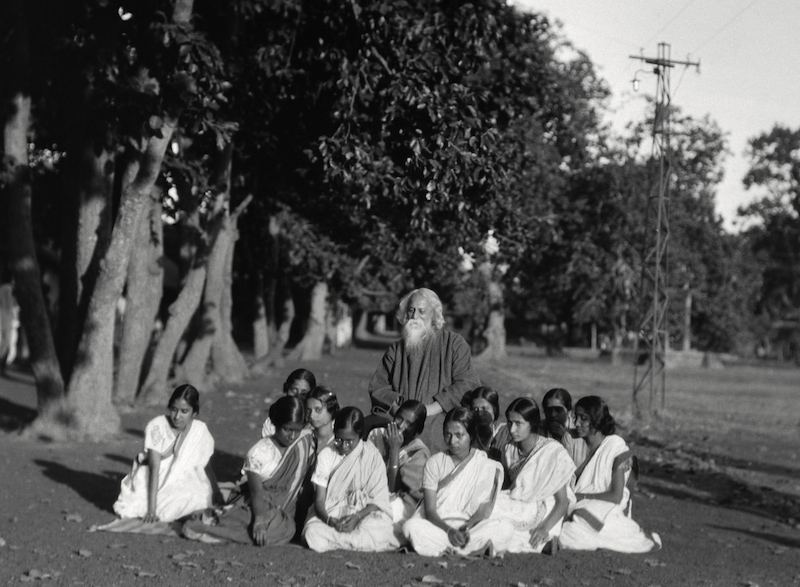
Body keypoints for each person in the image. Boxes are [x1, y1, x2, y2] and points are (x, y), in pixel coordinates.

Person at [182, 396, 314, 545]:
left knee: (287, 529)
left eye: (297, 431)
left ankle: (216, 530)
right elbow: (256, 491)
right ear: (276, 423)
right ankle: (207, 526)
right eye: (287, 429)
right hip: (256, 504)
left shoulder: (302, 443)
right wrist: (259, 520)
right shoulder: (259, 452)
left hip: (281, 512)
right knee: (255, 520)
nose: (292, 436)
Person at [368, 288, 480, 452]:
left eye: (421, 311)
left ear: (434, 314)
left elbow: (467, 384)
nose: (414, 316)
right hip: (400, 421)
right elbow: (378, 386)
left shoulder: (454, 344)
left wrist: (429, 409)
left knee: (434, 440)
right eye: (411, 310)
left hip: (439, 421)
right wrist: (401, 412)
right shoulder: (396, 349)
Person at [402, 407, 514, 557]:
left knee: (505, 527)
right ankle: (471, 549)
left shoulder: (485, 465)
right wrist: (449, 531)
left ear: (471, 435)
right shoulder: (434, 463)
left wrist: (466, 529)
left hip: (470, 528)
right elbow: (429, 510)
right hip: (439, 526)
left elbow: (482, 511)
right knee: (410, 526)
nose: (452, 441)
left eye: (459, 435)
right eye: (447, 434)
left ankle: (446, 549)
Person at [559, 396, 661, 553]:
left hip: (604, 506)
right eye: (576, 417)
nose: (577, 423)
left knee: (581, 518)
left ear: (597, 420)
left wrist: (579, 496)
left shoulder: (615, 447)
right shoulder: (572, 442)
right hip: (574, 501)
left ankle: (637, 539)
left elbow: (616, 496)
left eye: (584, 418)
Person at [113, 384, 221, 522]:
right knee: (166, 507)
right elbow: (154, 469)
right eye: (174, 410)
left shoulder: (199, 430)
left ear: (194, 413)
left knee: (198, 497)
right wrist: (151, 511)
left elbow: (204, 464)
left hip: (183, 478)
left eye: (184, 411)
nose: (177, 416)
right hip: (151, 483)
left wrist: (216, 491)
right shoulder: (157, 427)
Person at [302, 407, 398, 552]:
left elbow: (379, 499)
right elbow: (320, 500)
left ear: (360, 436)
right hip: (332, 511)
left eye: (349, 441)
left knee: (380, 527)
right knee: (311, 531)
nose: (344, 446)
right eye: (339, 439)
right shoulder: (327, 455)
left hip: (364, 513)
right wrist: (329, 521)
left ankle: (339, 542)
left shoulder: (372, 456)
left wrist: (357, 517)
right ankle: (357, 543)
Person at [490, 397, 576, 553]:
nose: (512, 429)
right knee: (487, 504)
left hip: (546, 508)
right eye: (509, 422)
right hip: (519, 503)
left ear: (532, 423)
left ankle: (541, 539)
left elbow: (563, 502)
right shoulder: (509, 449)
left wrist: (544, 528)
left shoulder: (552, 451)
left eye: (518, 423)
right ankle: (540, 544)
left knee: (492, 510)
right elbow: (510, 490)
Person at [368, 400, 430, 541]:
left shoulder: (419, 452)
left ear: (417, 431)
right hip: (372, 494)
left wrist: (394, 450)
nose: (401, 426)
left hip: (400, 503)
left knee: (377, 520)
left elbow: (393, 489)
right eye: (399, 418)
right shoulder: (377, 434)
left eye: (408, 423)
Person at [261, 369, 317, 437]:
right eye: (293, 390)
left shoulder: (316, 424)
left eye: (304, 393)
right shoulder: (272, 422)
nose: (297, 396)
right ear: (286, 389)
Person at [463, 386, 510, 463]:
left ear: (494, 409)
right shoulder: (468, 433)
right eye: (475, 409)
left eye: (484, 408)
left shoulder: (506, 433)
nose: (480, 413)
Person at [542, 388, 587, 467]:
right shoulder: (539, 429)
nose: (553, 414)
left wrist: (566, 438)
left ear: (569, 410)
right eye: (549, 410)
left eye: (558, 410)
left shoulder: (579, 430)